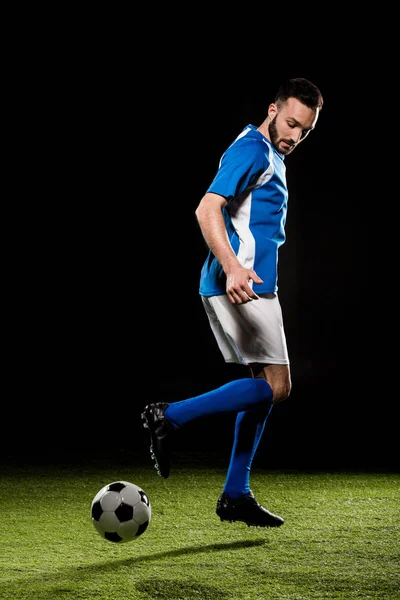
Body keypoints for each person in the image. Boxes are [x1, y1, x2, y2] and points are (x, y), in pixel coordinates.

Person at [142, 77, 323, 528]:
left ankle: (235, 494)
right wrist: (234, 267)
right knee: (277, 387)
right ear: (272, 109)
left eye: (305, 131)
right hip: (241, 284)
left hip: (250, 284)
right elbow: (207, 208)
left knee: (262, 389)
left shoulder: (271, 154)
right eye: (290, 123)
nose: (294, 136)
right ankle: (168, 417)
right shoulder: (253, 151)